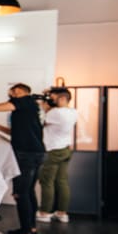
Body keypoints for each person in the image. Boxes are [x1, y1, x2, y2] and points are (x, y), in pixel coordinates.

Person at [0, 83, 46, 234]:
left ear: (19, 91)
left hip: (26, 155)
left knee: (21, 194)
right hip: (35, 153)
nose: (10, 95)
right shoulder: (29, 108)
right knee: (29, 192)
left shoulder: (24, 100)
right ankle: (30, 229)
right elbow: (14, 132)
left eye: (12, 92)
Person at [38, 88, 79, 224]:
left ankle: (45, 212)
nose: (50, 101)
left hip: (54, 150)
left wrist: (44, 107)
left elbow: (41, 124)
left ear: (62, 99)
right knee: (62, 181)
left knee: (47, 181)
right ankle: (62, 213)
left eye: (53, 98)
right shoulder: (73, 112)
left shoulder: (55, 112)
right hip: (66, 148)